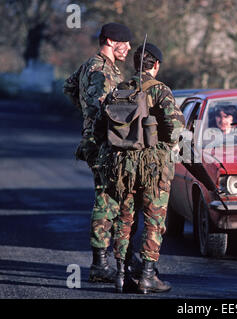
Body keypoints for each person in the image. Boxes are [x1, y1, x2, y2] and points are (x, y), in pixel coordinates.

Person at [94, 43, 184, 294]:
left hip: (122, 166)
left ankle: (121, 274)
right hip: (153, 166)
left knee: (124, 218)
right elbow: (176, 128)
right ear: (156, 65)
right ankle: (147, 275)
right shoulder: (160, 91)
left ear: (135, 65)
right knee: (154, 219)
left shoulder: (118, 90)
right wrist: (165, 149)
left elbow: (100, 129)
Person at [63, 22, 132, 283]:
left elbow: (69, 88)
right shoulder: (100, 70)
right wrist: (93, 121)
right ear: (112, 42)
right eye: (125, 43)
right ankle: (100, 264)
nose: (128, 48)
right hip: (103, 143)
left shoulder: (91, 65)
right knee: (107, 199)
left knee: (110, 196)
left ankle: (111, 259)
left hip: (99, 140)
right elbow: (105, 108)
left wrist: (85, 117)